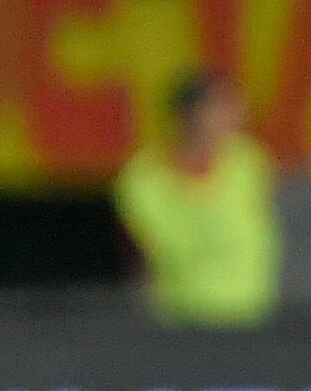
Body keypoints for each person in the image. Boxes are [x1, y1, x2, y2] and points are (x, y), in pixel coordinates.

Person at [114, 70, 280, 328]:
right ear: (187, 114)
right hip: (180, 320)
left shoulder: (249, 162)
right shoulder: (142, 179)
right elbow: (139, 256)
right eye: (220, 106)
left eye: (236, 107)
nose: (234, 117)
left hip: (252, 317)